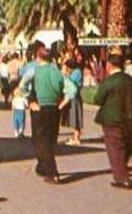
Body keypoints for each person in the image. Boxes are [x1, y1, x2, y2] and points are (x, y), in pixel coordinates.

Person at [19, 42, 65, 184]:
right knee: (51, 139)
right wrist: (61, 101)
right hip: (54, 107)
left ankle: (52, 172)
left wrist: (29, 99)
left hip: (39, 106)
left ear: (37, 57)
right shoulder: (57, 71)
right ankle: (42, 166)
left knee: (40, 140)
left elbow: (22, 84)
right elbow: (70, 88)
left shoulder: (34, 69)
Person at [93, 53, 132, 189]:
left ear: (109, 65)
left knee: (115, 148)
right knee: (127, 144)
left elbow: (98, 99)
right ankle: (123, 169)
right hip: (131, 118)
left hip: (112, 119)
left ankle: (121, 178)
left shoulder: (109, 81)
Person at [59, 59, 84, 145]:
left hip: (75, 97)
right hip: (73, 96)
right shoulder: (75, 71)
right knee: (73, 117)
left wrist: (65, 74)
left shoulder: (77, 72)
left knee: (76, 117)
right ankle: (75, 136)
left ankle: (77, 138)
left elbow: (70, 82)